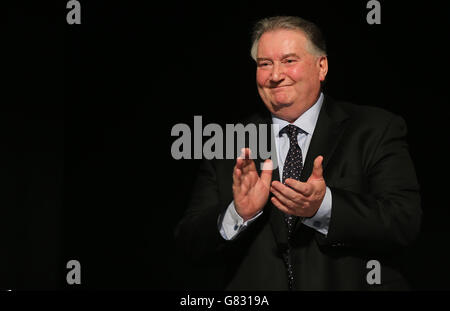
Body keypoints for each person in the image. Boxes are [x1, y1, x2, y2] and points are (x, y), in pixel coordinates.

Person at [174, 16, 421, 290]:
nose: (276, 75)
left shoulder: (375, 128)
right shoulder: (228, 142)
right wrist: (238, 214)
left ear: (321, 67)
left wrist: (324, 206)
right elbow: (189, 243)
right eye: (265, 64)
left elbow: (403, 222)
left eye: (289, 61)